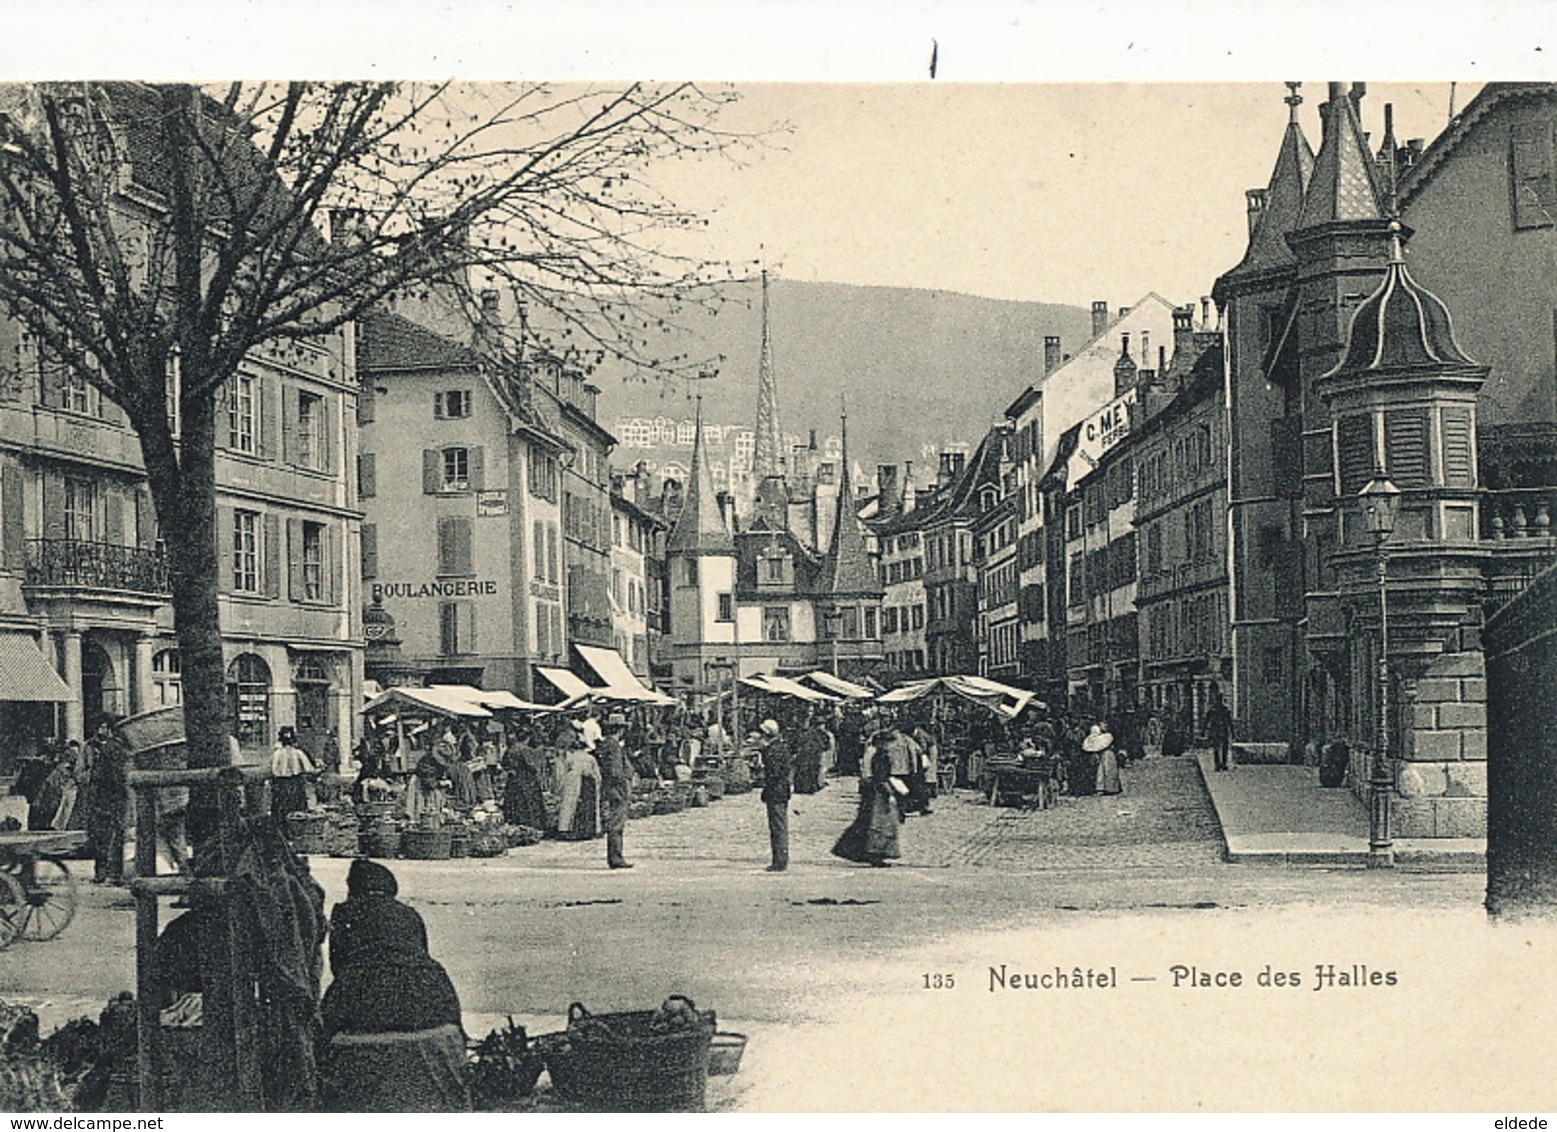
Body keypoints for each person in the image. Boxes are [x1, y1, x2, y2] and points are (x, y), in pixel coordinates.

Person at [319, 858, 468, 1112]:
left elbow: (339, 967)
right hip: (433, 993)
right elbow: (420, 953)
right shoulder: (409, 914)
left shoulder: (345, 912)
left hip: (363, 995)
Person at [831, 730, 902, 867]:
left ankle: (861, 851)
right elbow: (881, 778)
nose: (890, 745)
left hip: (873, 790)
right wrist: (889, 793)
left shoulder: (877, 755)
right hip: (878, 792)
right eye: (888, 743)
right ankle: (874, 853)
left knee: (867, 822)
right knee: (878, 824)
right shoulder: (882, 757)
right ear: (882, 744)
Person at [87, 727, 130, 884]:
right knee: (115, 836)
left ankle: (103, 873)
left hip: (105, 797)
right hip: (114, 797)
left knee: (102, 836)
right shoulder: (120, 748)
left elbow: (97, 775)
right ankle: (114, 874)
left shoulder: (108, 748)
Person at [595, 713, 633, 869]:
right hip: (617, 788)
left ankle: (615, 856)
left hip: (611, 787)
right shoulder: (614, 746)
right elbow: (615, 771)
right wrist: (623, 784)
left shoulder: (606, 744)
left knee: (614, 823)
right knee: (616, 824)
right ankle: (616, 857)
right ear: (620, 730)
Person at [757, 718, 793, 872]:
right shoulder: (781, 747)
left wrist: (764, 754)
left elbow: (774, 772)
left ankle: (779, 860)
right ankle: (779, 858)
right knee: (779, 825)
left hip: (776, 790)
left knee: (778, 826)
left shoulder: (773, 750)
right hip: (781, 790)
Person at [500, 725, 548, 831]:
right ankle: (530, 825)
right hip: (526, 779)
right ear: (528, 738)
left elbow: (503, 763)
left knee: (513, 802)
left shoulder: (511, 748)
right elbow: (531, 765)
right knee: (528, 802)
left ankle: (514, 823)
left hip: (513, 779)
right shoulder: (525, 749)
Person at [555, 734, 601, 840]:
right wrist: (597, 783)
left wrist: (561, 785)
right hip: (588, 783)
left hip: (573, 782)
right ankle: (589, 829)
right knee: (587, 805)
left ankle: (568, 829)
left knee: (571, 805)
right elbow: (597, 774)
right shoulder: (590, 758)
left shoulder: (570, 757)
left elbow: (563, 771)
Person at [270, 727, 316, 821]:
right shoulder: (298, 753)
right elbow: (309, 768)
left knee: (281, 811)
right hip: (295, 783)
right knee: (297, 812)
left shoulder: (278, 753)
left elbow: (273, 770)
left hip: (282, 784)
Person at [791, 712, 826, 795]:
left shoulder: (801, 733)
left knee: (806, 771)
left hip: (808, 755)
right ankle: (808, 787)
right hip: (810, 755)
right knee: (809, 771)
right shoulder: (813, 733)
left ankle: (803, 787)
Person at [1087, 723, 1122, 796]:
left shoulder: (1108, 736)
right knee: (1101, 771)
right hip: (1103, 755)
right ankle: (1102, 788)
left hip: (1108, 755)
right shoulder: (1099, 737)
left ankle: (1111, 788)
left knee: (1109, 770)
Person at [1205, 685, 1234, 772]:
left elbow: (1207, 721)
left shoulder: (1213, 710)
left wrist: (1205, 730)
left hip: (1216, 730)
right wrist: (1232, 732)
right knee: (1222, 748)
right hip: (1222, 730)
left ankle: (1218, 764)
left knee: (1217, 748)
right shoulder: (1224, 710)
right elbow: (1230, 722)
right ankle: (1222, 764)